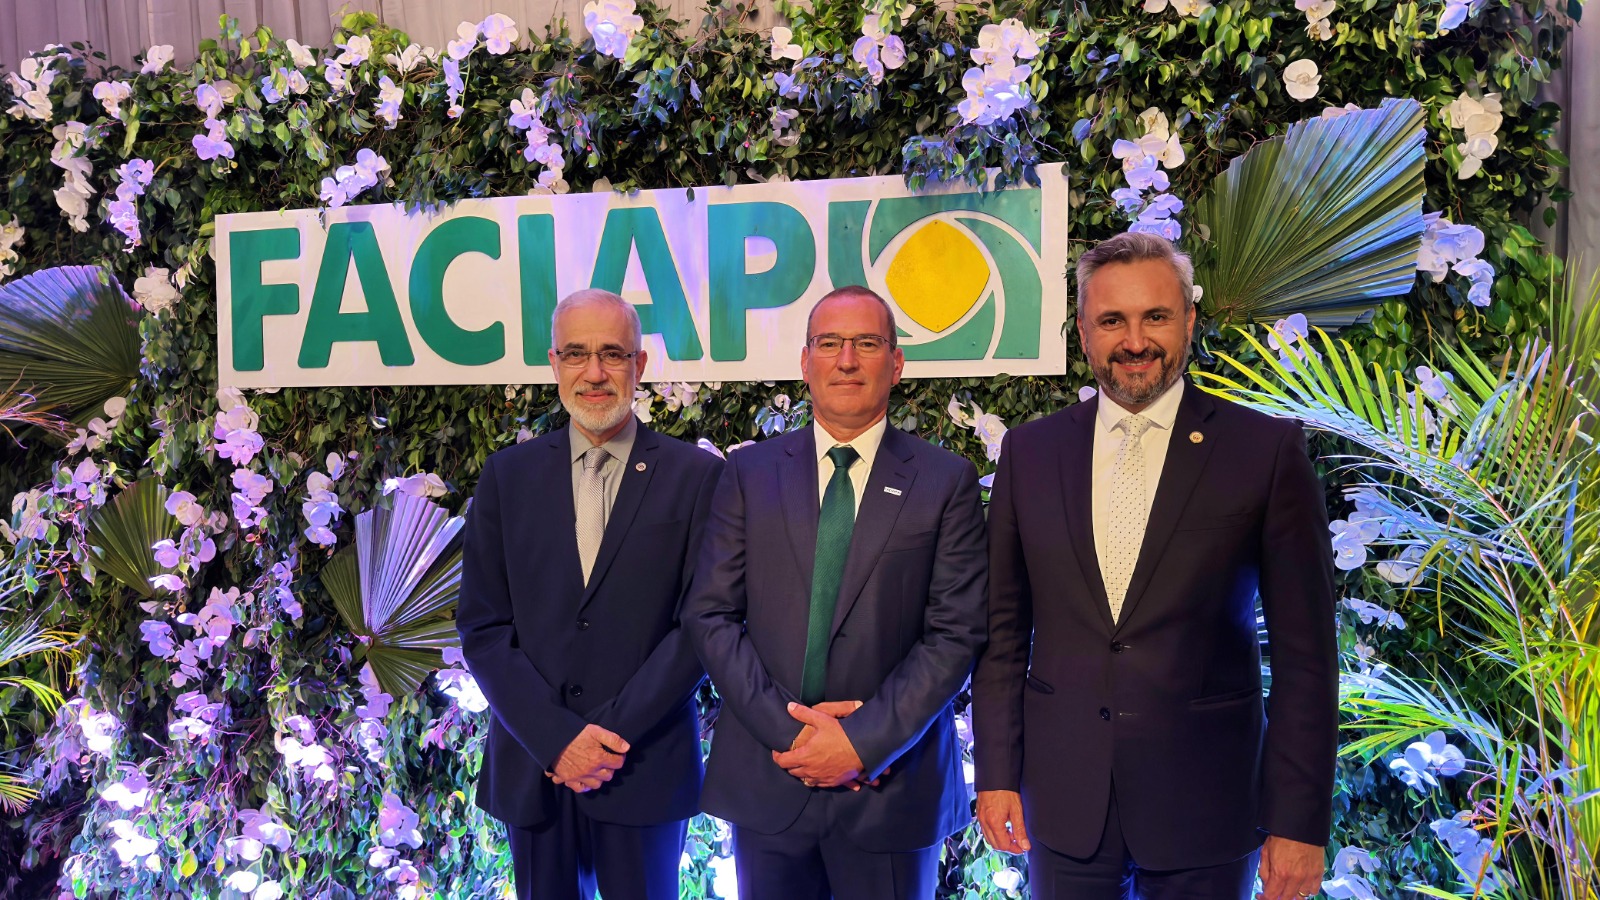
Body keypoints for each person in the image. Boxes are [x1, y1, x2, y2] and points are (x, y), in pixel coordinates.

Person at [971, 233, 1338, 900]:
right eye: (1113, 320)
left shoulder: (1265, 451)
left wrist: (1298, 821)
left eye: (1156, 317)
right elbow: (1002, 636)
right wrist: (996, 774)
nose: (1135, 341)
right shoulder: (1030, 453)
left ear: (1189, 321)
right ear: (1084, 331)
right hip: (1064, 802)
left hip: (1208, 805)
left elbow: (1307, 657)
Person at [684, 286, 988, 900]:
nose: (847, 360)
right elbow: (711, 614)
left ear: (896, 363)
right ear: (805, 362)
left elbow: (956, 634)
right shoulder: (748, 473)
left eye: (867, 343)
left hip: (891, 788)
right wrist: (793, 734)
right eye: (830, 343)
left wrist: (861, 742)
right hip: (771, 779)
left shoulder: (945, 480)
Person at [458, 288, 723, 900]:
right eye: (576, 354)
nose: (594, 373)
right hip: (536, 767)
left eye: (612, 354)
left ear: (640, 365)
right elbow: (483, 627)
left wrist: (605, 740)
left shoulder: (698, 477)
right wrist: (556, 739)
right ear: (554, 364)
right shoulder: (507, 476)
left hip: (644, 764)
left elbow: (701, 626)